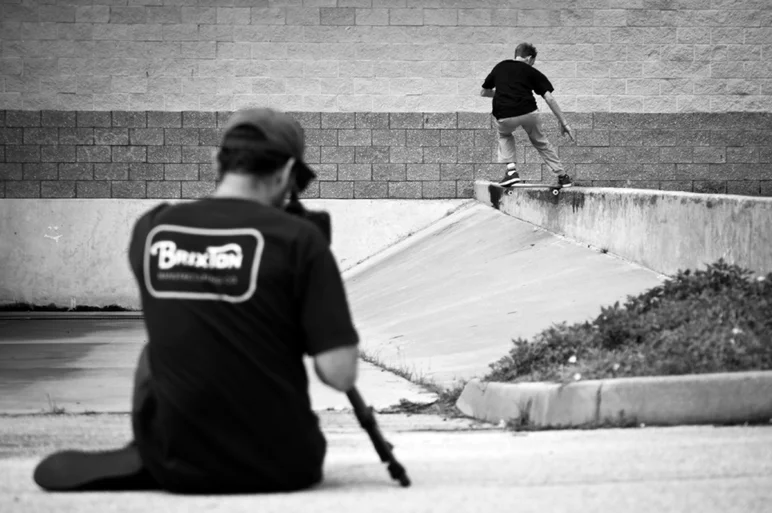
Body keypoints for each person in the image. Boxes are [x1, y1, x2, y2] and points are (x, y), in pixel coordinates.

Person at [32, 108, 360, 494]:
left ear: (215, 162)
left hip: (177, 466)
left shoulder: (153, 228)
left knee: (153, 350)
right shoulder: (300, 240)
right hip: (284, 467)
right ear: (289, 174)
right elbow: (339, 374)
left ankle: (155, 447)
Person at [481, 42, 576, 188]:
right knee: (540, 141)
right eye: (533, 62)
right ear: (529, 58)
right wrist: (564, 123)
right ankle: (563, 176)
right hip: (528, 112)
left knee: (505, 135)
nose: (532, 64)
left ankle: (511, 171)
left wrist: (502, 93)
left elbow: (484, 92)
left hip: (504, 113)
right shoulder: (531, 71)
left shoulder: (500, 66)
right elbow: (549, 98)